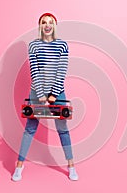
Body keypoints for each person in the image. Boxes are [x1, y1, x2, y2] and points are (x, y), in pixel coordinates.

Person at [12, 13, 79, 181]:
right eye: (44, 22)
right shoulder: (34, 45)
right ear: (40, 26)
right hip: (37, 92)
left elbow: (61, 71)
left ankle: (71, 166)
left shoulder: (62, 45)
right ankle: (19, 166)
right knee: (30, 129)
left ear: (54, 26)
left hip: (58, 92)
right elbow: (34, 70)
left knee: (62, 129)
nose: (47, 25)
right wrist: (41, 95)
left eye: (50, 22)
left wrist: (53, 95)